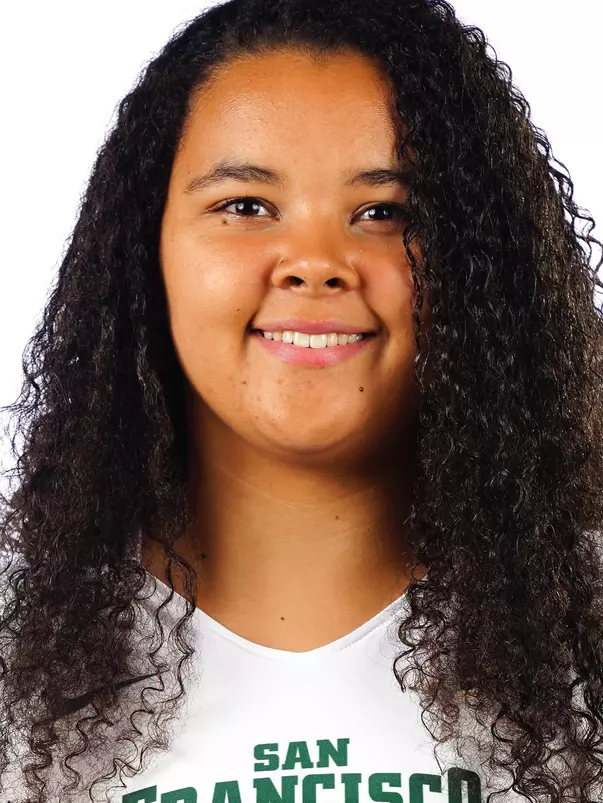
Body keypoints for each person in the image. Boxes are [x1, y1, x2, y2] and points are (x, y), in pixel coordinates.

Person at [0, 0, 602, 800]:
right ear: (144, 252)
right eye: (245, 206)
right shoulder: (19, 661)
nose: (315, 262)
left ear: (483, 269)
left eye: (385, 213)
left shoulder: (583, 636)